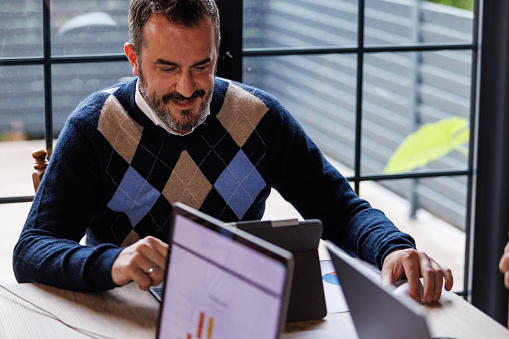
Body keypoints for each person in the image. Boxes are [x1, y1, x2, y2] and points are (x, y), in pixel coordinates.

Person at [13, 0, 452, 304]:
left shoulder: (260, 119)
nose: (186, 89)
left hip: (237, 312)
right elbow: (31, 250)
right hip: (126, 317)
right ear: (133, 58)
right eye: (167, 68)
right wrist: (113, 262)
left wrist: (393, 248)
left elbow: (341, 210)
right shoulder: (95, 127)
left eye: (201, 66)